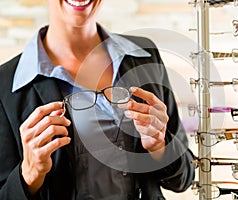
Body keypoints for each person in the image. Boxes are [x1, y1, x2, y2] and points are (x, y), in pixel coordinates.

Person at [0, 0, 195, 199]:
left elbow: (185, 178)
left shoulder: (144, 55)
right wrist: (30, 174)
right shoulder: (5, 86)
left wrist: (159, 147)